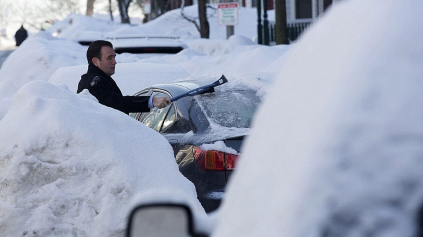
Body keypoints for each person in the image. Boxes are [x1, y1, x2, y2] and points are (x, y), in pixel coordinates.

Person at [77, 40, 171, 114]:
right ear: (95, 61)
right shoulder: (95, 82)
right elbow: (116, 103)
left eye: (114, 57)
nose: (114, 62)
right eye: (109, 58)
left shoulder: (95, 79)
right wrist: (151, 101)